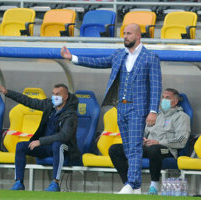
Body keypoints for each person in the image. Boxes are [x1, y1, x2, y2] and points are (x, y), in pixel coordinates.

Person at [61, 23, 162, 194]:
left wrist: (153, 111)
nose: (125, 36)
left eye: (129, 33)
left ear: (138, 36)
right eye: (124, 33)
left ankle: (132, 183)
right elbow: (98, 62)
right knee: (129, 147)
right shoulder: (118, 54)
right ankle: (135, 187)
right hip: (120, 108)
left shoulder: (150, 57)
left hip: (138, 108)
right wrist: (73, 58)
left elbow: (156, 86)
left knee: (135, 146)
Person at [0, 82, 80, 192]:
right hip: (45, 146)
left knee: (57, 145)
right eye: (53, 94)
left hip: (65, 149)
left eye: (58, 94)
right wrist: (8, 93)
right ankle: (19, 182)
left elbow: (63, 136)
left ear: (65, 96)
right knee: (21, 146)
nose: (55, 97)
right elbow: (29, 101)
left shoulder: (71, 114)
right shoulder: (49, 105)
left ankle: (55, 183)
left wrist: (40, 141)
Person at [109, 88, 191, 195]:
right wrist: (141, 139)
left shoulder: (182, 117)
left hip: (167, 150)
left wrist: (159, 142)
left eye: (167, 98)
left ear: (175, 101)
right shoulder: (154, 115)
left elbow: (182, 140)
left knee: (154, 149)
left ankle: (154, 185)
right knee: (115, 149)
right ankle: (129, 185)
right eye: (162, 97)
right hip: (147, 146)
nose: (163, 100)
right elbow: (144, 132)